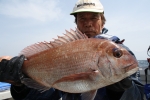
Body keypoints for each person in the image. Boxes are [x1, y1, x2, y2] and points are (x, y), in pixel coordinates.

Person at [0, 0, 144, 100]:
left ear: (102, 21)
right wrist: (20, 83)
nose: (88, 23)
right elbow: (44, 96)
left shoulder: (120, 49)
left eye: (94, 18)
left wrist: (124, 89)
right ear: (76, 23)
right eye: (82, 18)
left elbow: (138, 97)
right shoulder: (62, 50)